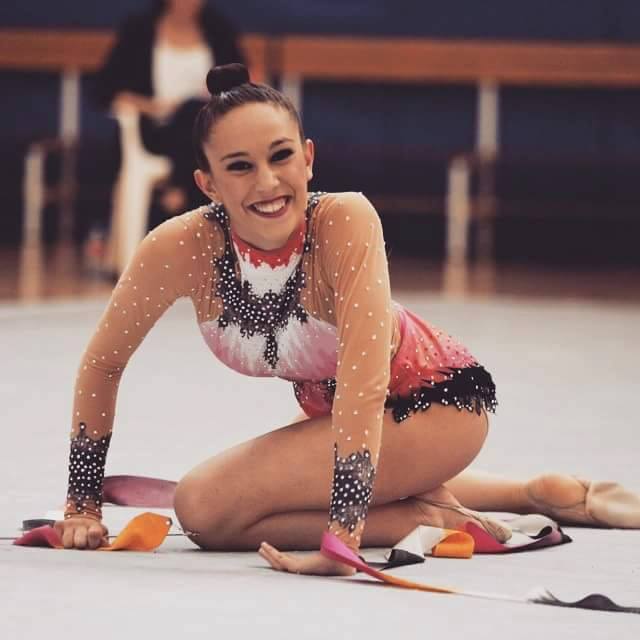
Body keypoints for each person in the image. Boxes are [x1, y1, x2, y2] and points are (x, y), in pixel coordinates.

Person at [56, 64, 640, 575]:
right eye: (239, 167)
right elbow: (103, 363)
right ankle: (531, 493)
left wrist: (345, 537)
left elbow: (364, 384)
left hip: (435, 404)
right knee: (223, 509)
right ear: (207, 183)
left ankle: (425, 517)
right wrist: (81, 506)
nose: (267, 183)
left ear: (308, 157)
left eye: (281, 156)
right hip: (348, 419)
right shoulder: (179, 248)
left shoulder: (345, 220)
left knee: (203, 507)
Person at [93, 0, 245, 215]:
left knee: (194, 110)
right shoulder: (139, 30)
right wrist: (150, 107)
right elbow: (105, 91)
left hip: (209, 130)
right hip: (156, 129)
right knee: (190, 113)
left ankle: (177, 189)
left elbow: (239, 83)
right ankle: (185, 191)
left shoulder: (218, 30)